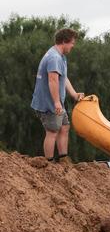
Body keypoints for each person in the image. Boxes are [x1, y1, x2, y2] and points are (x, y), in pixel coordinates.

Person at [31, 28, 84, 163]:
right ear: (64, 42)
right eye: (72, 43)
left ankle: (63, 159)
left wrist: (74, 94)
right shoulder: (54, 57)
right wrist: (56, 102)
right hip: (49, 103)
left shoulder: (61, 56)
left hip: (56, 101)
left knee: (64, 126)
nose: (73, 46)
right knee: (52, 131)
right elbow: (52, 80)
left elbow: (63, 78)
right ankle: (48, 164)